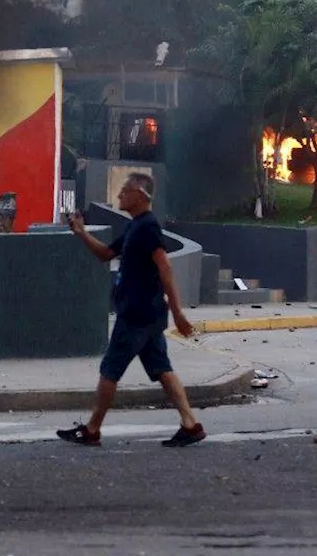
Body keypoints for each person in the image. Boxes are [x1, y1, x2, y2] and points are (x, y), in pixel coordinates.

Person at [57, 172, 206, 448]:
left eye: (124, 191)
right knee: (161, 368)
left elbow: (165, 268)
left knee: (110, 369)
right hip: (148, 315)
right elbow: (106, 254)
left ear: (140, 195)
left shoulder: (148, 227)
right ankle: (190, 424)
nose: (119, 196)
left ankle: (92, 429)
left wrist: (179, 313)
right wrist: (81, 233)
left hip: (137, 314)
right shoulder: (136, 226)